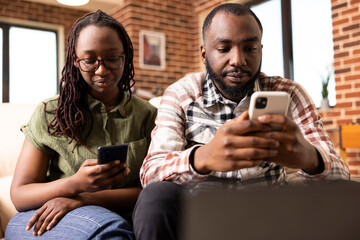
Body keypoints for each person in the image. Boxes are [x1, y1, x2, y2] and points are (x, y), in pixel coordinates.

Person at [132, 3, 350, 240]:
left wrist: (309, 157)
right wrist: (203, 157)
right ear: (205, 53)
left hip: (273, 211)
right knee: (155, 198)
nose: (238, 60)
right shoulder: (181, 94)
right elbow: (151, 174)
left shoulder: (289, 94)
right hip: (202, 212)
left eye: (250, 48)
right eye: (224, 48)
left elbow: (342, 177)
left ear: (261, 50)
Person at [5, 10, 157, 240]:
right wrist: (75, 183)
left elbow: (150, 191)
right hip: (54, 216)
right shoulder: (50, 113)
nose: (102, 70)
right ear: (75, 61)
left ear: (125, 57)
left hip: (115, 217)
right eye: (89, 60)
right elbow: (20, 195)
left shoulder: (147, 115)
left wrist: (82, 197)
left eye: (113, 58)